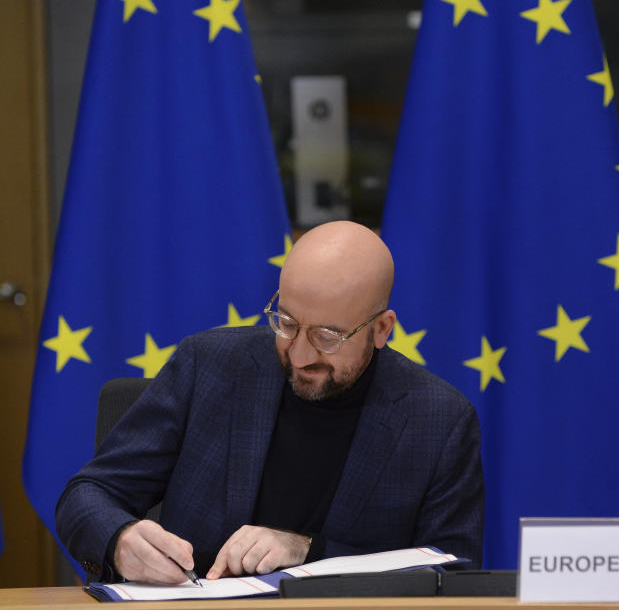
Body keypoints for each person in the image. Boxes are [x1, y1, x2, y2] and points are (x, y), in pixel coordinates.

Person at [57, 221, 485, 583]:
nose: (299, 355)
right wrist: (120, 539)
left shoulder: (440, 420)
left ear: (381, 330)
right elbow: (87, 494)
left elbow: (454, 576)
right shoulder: (207, 367)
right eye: (287, 323)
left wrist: (310, 553)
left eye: (327, 337)